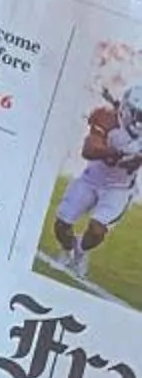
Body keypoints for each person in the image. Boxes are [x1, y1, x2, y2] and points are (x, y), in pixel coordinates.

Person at [48, 82, 142, 282]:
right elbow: (89, 150)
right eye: (139, 115)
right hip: (92, 178)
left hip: (119, 188)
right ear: (127, 110)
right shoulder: (106, 117)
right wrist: (118, 152)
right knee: (62, 224)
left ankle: (80, 251)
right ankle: (67, 249)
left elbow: (131, 163)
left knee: (97, 230)